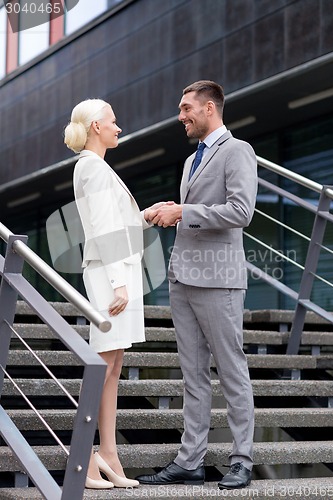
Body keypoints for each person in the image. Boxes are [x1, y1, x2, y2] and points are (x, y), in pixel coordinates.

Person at [136, 80, 257, 490]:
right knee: (193, 376)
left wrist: (183, 210)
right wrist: (168, 210)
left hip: (219, 281)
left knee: (232, 370)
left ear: (209, 108)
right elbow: (192, 212)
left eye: (186, 108)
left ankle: (242, 460)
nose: (181, 115)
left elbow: (241, 211)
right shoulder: (191, 161)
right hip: (182, 278)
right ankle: (191, 461)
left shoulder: (238, 151)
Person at [64, 99, 160, 489]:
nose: (119, 128)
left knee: (114, 366)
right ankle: (86, 455)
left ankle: (108, 452)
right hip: (110, 275)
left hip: (114, 270)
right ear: (97, 127)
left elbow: (113, 223)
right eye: (114, 122)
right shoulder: (92, 167)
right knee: (102, 368)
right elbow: (102, 229)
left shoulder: (95, 167)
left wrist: (143, 215)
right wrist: (119, 282)